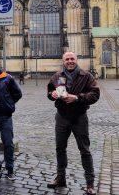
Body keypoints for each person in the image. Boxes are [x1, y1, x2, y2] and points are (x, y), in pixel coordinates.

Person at [47, 52, 100, 195]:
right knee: (60, 149)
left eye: (72, 59)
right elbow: (50, 91)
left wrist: (77, 98)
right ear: (63, 61)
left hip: (79, 118)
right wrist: (52, 95)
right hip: (62, 117)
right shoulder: (57, 76)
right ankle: (60, 178)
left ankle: (90, 184)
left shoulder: (86, 76)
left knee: (85, 150)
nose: (70, 61)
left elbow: (95, 94)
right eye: (67, 59)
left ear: (76, 60)